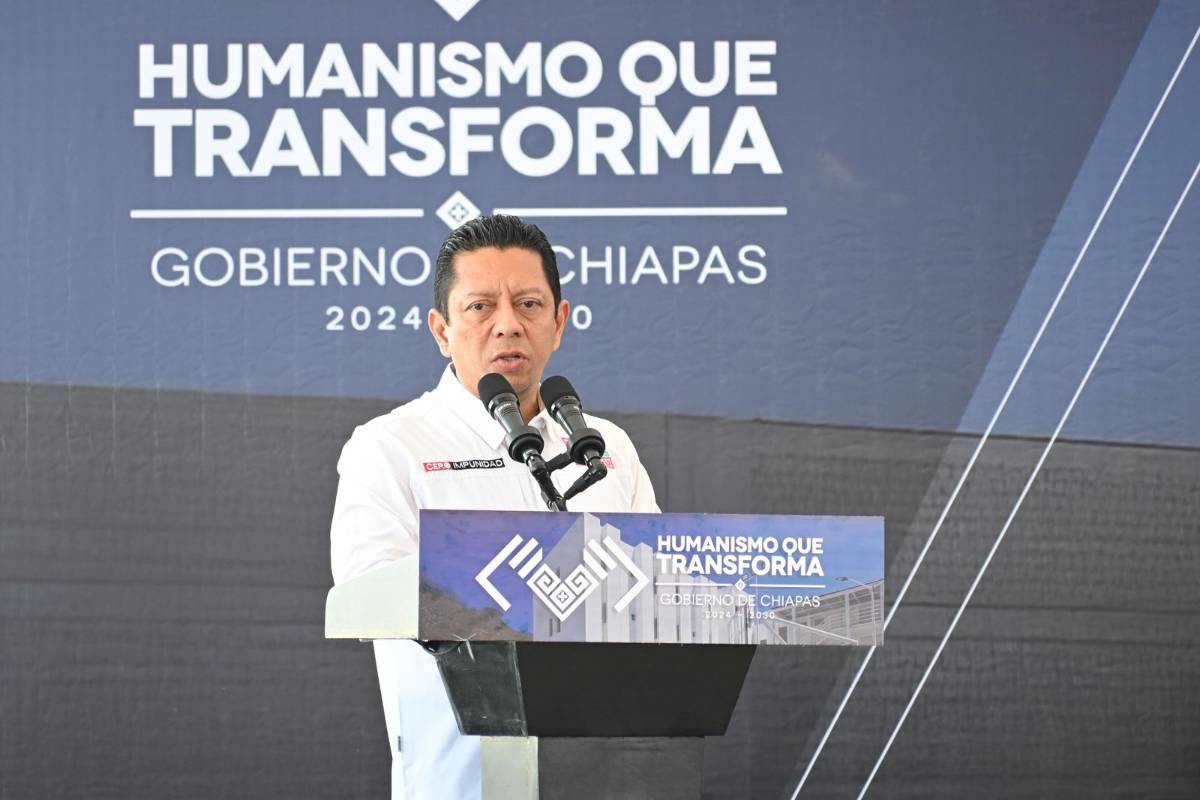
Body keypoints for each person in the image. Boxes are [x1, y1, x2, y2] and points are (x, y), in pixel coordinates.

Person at [328, 214, 660, 800]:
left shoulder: (605, 448)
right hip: (459, 782)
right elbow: (367, 594)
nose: (508, 324)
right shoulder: (390, 446)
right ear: (441, 329)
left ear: (559, 322)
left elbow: (663, 596)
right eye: (481, 307)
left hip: (609, 774)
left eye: (529, 305)